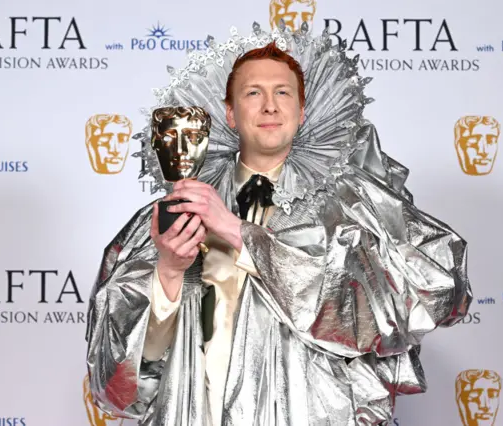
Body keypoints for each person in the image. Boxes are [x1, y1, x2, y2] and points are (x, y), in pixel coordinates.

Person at [85, 24, 472, 426]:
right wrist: (167, 273)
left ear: (302, 111)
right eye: (253, 93)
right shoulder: (179, 212)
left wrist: (239, 234)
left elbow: (438, 292)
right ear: (230, 113)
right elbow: (115, 376)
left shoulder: (354, 206)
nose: (270, 106)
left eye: (283, 92)